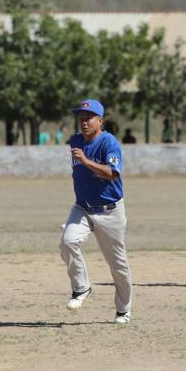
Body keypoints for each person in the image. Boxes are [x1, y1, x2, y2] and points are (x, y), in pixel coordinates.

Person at [59, 99, 133, 325]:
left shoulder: (109, 143)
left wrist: (86, 161)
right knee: (67, 242)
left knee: (117, 265)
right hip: (82, 207)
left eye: (88, 118)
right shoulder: (75, 141)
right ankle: (81, 288)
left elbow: (112, 173)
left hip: (110, 211)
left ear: (100, 121)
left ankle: (123, 310)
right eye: (80, 118)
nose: (83, 122)